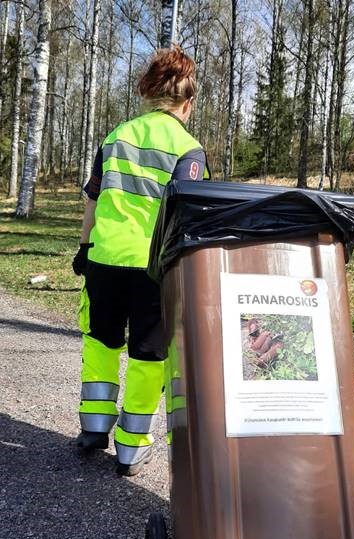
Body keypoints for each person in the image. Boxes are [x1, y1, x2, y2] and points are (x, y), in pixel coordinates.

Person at [72, 45, 210, 477]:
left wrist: (84, 246)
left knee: (100, 340)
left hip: (105, 258)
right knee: (149, 355)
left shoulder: (116, 138)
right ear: (187, 103)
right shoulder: (189, 150)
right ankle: (131, 448)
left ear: (148, 96)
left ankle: (94, 426)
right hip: (155, 269)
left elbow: (94, 201)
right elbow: (191, 218)